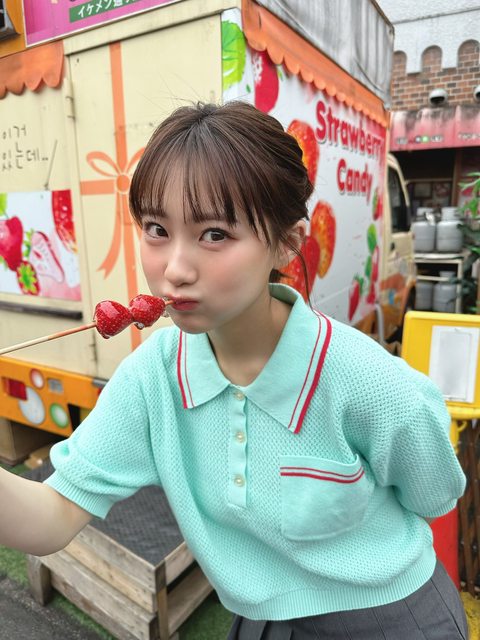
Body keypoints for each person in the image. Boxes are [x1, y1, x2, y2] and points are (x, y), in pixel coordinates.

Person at [0, 102, 468, 639]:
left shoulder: (372, 385)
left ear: (287, 243)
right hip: (260, 618)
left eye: (215, 234)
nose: (175, 269)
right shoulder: (153, 379)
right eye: (156, 228)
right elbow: (51, 514)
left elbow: (435, 496)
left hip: (392, 618)